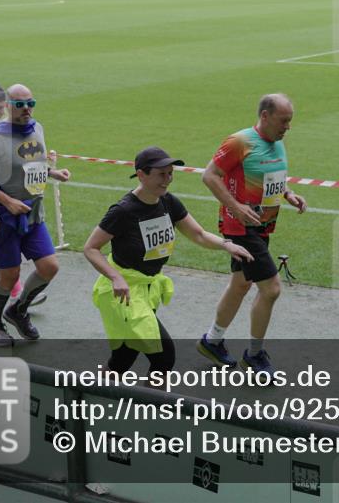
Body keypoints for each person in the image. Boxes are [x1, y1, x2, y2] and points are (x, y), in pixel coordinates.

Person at [83, 147, 252, 375]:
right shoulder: (123, 211)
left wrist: (226, 244)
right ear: (142, 175)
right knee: (164, 357)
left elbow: (198, 234)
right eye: (161, 174)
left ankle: (84, 399)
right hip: (123, 294)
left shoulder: (168, 202)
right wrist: (115, 277)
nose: (168, 179)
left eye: (170, 173)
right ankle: (153, 409)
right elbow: (91, 248)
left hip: (147, 290)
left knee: (124, 356)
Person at [197, 94, 307, 375]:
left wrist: (289, 194)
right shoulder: (239, 142)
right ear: (266, 116)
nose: (288, 127)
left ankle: (213, 340)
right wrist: (236, 207)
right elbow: (209, 176)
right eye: (284, 121)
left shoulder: (276, 143)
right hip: (240, 228)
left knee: (240, 284)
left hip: (263, 225)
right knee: (270, 289)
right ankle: (254, 356)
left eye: (290, 121)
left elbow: (272, 178)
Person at [0, 84, 70, 346]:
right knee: (10, 274)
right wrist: (8, 202)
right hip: (2, 214)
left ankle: (17, 311)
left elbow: (32, 164)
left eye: (31, 103)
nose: (26, 108)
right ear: (7, 106)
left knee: (50, 266)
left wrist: (53, 173)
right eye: (20, 104)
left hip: (31, 211)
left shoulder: (37, 128)